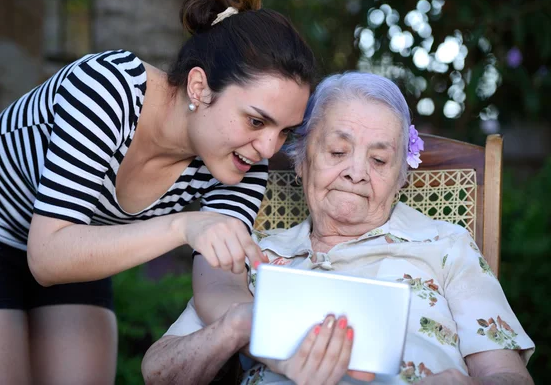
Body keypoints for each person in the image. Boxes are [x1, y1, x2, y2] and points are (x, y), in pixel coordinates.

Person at [0, 0, 316, 383]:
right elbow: (47, 256)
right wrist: (183, 226)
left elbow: (217, 286)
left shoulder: (242, 159)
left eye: (284, 131)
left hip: (78, 245)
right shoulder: (108, 90)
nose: (267, 148)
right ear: (199, 88)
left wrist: (261, 328)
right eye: (256, 121)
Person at [142, 72, 535, 385]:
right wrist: (234, 328)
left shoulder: (446, 246)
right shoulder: (254, 253)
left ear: (401, 178)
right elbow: (158, 370)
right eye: (337, 152)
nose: (357, 172)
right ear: (301, 160)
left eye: (380, 160)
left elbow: (510, 377)